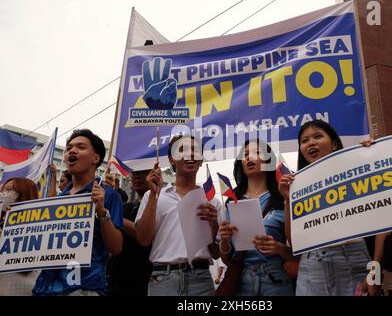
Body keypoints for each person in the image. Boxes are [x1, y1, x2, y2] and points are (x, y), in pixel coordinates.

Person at [279, 120, 371, 296]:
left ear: (335, 143)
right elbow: (293, 241)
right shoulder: (296, 186)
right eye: (304, 140)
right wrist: (289, 200)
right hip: (312, 264)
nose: (311, 143)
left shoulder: (356, 171)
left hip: (354, 258)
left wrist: (371, 153)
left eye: (318, 136)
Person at [32, 129, 123, 296]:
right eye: (68, 148)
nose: (71, 151)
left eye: (80, 147)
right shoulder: (59, 199)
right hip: (45, 289)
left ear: (95, 159)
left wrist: (102, 212)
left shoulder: (109, 195)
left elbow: (116, 247)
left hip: (84, 288)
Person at [135, 134, 221, 296]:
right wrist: (154, 196)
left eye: (195, 150)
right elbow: (143, 239)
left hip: (201, 280)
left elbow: (216, 253)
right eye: (182, 150)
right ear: (172, 159)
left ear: (201, 160)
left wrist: (213, 224)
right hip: (163, 280)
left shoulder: (212, 203)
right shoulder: (153, 195)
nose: (189, 154)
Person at [218, 139, 293, 296]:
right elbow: (226, 260)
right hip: (241, 280)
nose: (249, 158)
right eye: (245, 155)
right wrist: (224, 239)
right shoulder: (232, 201)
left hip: (276, 279)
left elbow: (298, 253)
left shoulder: (283, 196)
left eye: (257, 153)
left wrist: (279, 248)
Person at [107, 169, 153, 296]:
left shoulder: (160, 206)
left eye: (143, 173)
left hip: (145, 278)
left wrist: (113, 216)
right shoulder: (125, 207)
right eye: (134, 173)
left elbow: (143, 236)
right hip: (117, 279)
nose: (138, 177)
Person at [0, 177, 40, 295]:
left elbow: (27, 266)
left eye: (9, 190)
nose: (3, 194)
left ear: (23, 195)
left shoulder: (36, 226)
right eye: (3, 190)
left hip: (17, 286)